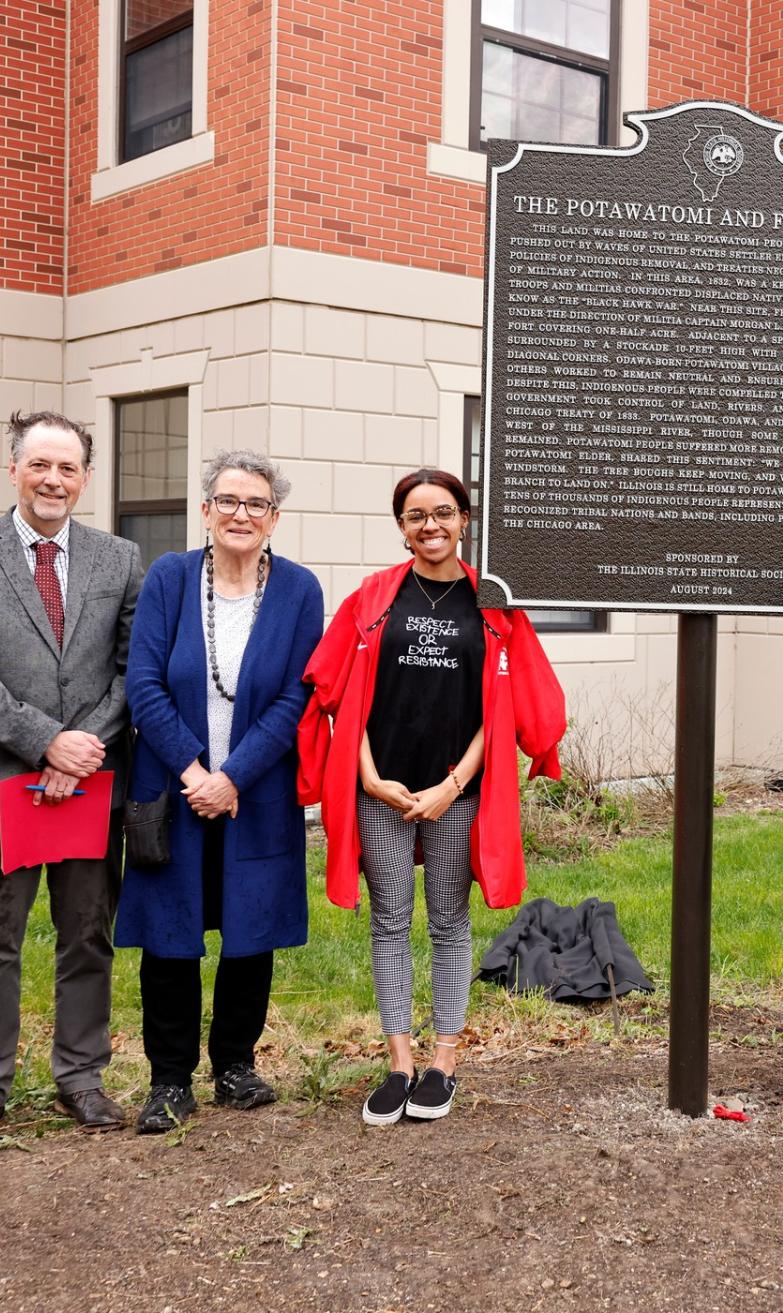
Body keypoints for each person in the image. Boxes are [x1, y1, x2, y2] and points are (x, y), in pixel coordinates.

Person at [298, 469, 566, 1127]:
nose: (430, 526)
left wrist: (453, 785)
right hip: (381, 787)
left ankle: (443, 1061)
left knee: (449, 921)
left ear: (464, 519)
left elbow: (500, 710)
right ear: (401, 526)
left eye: (443, 512)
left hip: (460, 791)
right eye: (416, 516)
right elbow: (336, 693)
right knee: (389, 921)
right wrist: (365, 777)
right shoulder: (373, 598)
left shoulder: (493, 603)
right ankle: (397, 1063)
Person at [0, 411, 144, 1145]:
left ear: (85, 477)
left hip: (90, 782)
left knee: (87, 933)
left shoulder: (121, 559)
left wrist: (81, 749)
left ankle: (81, 1077)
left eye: (68, 467)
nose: (54, 479)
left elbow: (127, 670)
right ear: (12, 467)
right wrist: (46, 742)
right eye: (40, 464)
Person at [114, 451, 323, 1133]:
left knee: (249, 927)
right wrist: (197, 773)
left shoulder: (297, 591)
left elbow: (298, 696)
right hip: (174, 790)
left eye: (255, 503)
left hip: (256, 791)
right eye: (227, 501)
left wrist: (234, 776)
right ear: (204, 511)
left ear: (274, 518)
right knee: (170, 933)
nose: (241, 514)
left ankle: (235, 1063)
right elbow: (143, 684)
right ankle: (169, 1079)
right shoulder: (170, 579)